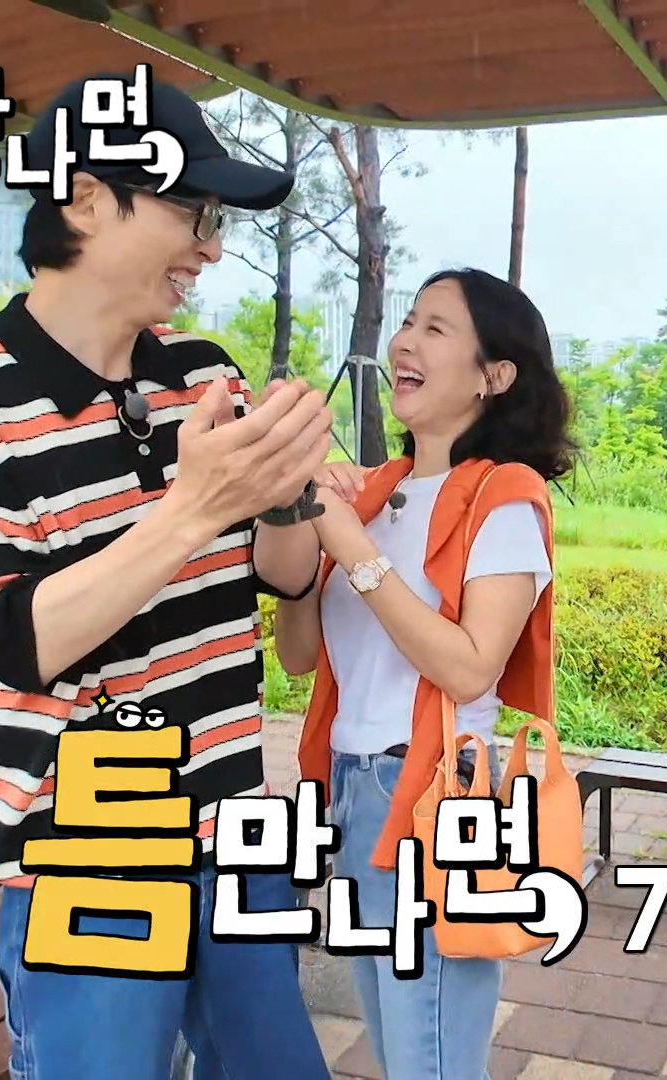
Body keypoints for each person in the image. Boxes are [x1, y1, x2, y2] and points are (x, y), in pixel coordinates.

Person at [0, 76, 336, 1077]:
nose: (210, 249)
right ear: (86, 199)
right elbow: (13, 644)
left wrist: (286, 493)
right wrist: (195, 506)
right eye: (191, 214)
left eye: (216, 222)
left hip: (228, 816)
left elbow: (279, 575)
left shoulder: (202, 371)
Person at [270, 268, 573, 1080]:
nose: (405, 342)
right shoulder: (378, 491)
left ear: (493, 376)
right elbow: (298, 657)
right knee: (396, 1033)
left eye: (436, 329)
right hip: (350, 784)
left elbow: (471, 668)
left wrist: (352, 548)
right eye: (408, 321)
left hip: (433, 792)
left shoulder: (505, 498)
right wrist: (303, 525)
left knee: (427, 1050)